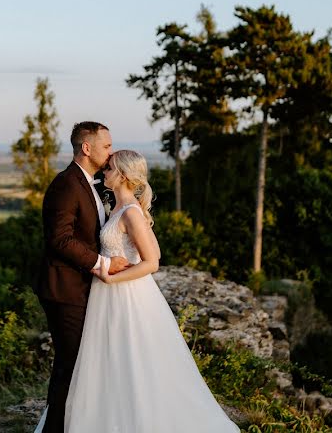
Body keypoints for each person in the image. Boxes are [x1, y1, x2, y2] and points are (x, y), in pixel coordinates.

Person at [35, 149, 241, 433]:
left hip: (124, 295)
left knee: (130, 357)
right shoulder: (119, 208)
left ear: (121, 175)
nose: (103, 172)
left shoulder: (131, 212)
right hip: (105, 297)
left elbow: (152, 261)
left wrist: (111, 279)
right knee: (106, 359)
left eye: (108, 169)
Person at [35, 122, 130, 433]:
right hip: (64, 290)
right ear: (87, 148)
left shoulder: (89, 183)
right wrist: (101, 263)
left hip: (82, 289)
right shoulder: (66, 185)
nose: (110, 152)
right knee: (70, 365)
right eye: (106, 146)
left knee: (79, 364)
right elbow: (59, 240)